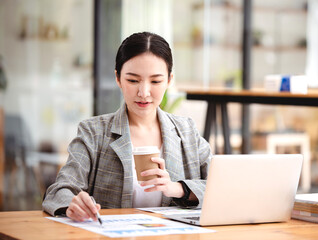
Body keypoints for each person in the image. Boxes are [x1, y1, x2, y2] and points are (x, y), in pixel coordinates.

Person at [42, 32, 212, 222]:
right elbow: (59, 190)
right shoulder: (93, 132)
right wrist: (71, 204)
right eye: (133, 80)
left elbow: (221, 185)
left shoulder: (186, 131)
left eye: (155, 81)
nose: (144, 92)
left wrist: (177, 188)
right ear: (118, 78)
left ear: (169, 80)